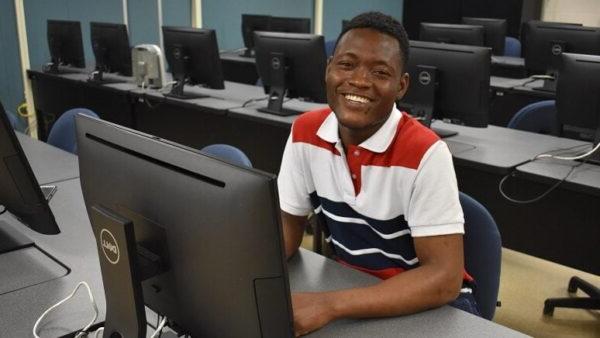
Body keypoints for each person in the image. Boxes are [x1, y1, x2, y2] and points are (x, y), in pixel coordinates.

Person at [277, 12, 478, 336]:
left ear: (401, 86)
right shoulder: (305, 132)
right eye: (347, 64)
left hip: (432, 306)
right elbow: (286, 229)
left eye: (380, 72)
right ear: (329, 68)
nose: (359, 80)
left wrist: (330, 305)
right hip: (353, 285)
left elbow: (444, 280)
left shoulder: (426, 153)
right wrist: (239, 269)